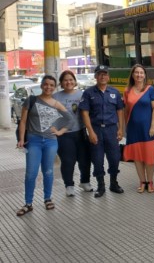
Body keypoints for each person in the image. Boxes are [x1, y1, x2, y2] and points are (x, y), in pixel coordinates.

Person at [16, 75, 74, 216]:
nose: (48, 87)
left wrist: (60, 131)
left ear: (55, 87)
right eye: (46, 84)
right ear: (41, 85)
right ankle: (28, 203)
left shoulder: (56, 104)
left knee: (48, 171)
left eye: (51, 85)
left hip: (50, 142)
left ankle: (47, 199)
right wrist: (21, 139)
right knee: (31, 173)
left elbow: (70, 120)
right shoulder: (31, 100)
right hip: (33, 141)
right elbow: (23, 121)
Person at [79, 65, 125, 198]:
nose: (102, 76)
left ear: (108, 76)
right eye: (100, 74)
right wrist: (90, 132)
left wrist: (121, 129)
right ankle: (101, 186)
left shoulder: (115, 92)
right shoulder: (88, 93)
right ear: (95, 76)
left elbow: (120, 111)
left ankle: (114, 183)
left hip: (111, 130)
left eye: (105, 74)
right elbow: (85, 113)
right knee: (98, 160)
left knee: (115, 158)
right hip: (96, 130)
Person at [53, 70, 93, 197]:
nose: (68, 82)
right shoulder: (56, 97)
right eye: (65, 80)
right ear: (61, 83)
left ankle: (85, 182)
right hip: (64, 135)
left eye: (71, 79)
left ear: (75, 81)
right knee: (68, 161)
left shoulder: (82, 95)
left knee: (85, 160)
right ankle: (69, 185)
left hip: (80, 132)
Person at [122, 64, 154, 193]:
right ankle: (142, 182)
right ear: (132, 75)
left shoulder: (150, 89)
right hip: (133, 129)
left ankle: (150, 182)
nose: (139, 75)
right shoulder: (127, 91)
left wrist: (153, 125)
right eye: (136, 73)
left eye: (141, 73)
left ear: (144, 75)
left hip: (148, 129)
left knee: (149, 157)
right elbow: (126, 111)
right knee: (137, 157)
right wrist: (126, 126)